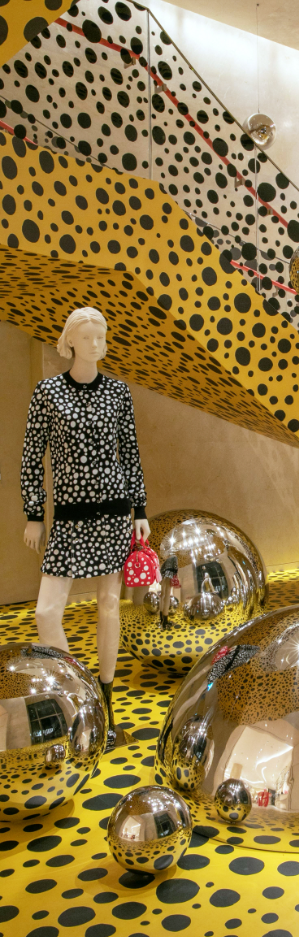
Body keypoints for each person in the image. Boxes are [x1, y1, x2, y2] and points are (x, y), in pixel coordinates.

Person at [21, 307, 150, 749]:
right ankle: (77, 694)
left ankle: (106, 704)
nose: (97, 343)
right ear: (71, 340)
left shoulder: (117, 392)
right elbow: (31, 456)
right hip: (69, 517)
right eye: (89, 336)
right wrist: (34, 513)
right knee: (46, 612)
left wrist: (140, 509)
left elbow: (130, 453)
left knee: (109, 606)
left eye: (102, 335)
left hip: (114, 511)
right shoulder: (48, 392)